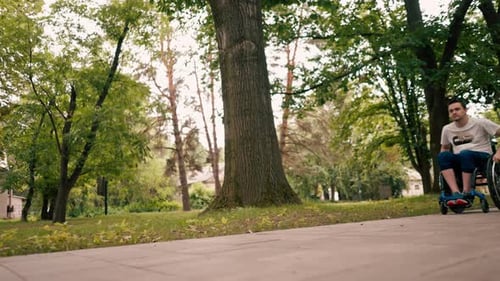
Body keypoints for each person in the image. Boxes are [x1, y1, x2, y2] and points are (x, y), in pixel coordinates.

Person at [438, 98, 500, 207]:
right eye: (451, 111)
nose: (454, 112)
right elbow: (445, 148)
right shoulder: (447, 129)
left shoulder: (480, 123)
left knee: (465, 153)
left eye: (457, 109)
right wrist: (444, 161)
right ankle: (456, 193)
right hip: (461, 160)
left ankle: (467, 193)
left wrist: (499, 152)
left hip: (482, 158)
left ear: (465, 110)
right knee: (443, 155)